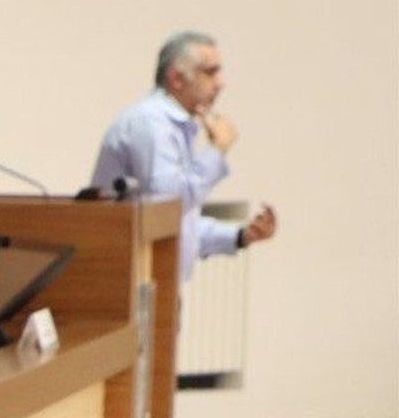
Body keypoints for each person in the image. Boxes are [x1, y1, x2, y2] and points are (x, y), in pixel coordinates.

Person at [90, 31, 277, 282]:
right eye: (210, 72)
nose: (221, 83)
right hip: (128, 285)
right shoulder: (151, 123)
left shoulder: (174, 126)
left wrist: (242, 235)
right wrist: (217, 151)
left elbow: (179, 224)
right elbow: (168, 206)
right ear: (177, 79)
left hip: (153, 286)